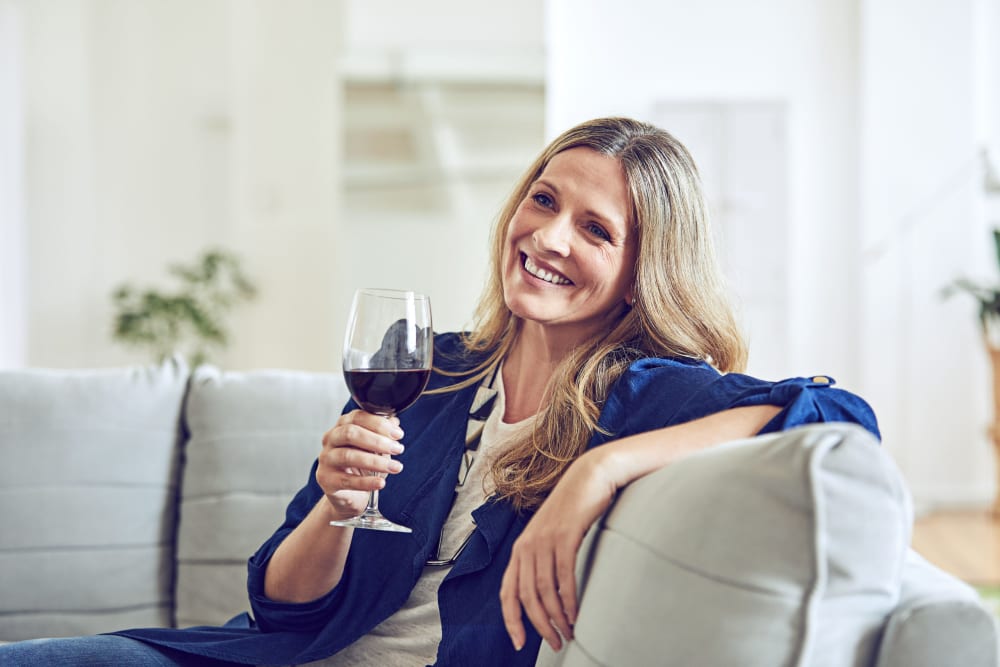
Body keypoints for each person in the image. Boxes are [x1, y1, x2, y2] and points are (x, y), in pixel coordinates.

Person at [0, 117, 878, 666]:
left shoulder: (642, 392)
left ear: (641, 272)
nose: (549, 236)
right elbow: (280, 603)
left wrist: (597, 472)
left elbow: (842, 417)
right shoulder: (434, 367)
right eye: (543, 199)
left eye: (596, 229)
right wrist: (336, 506)